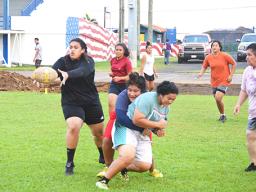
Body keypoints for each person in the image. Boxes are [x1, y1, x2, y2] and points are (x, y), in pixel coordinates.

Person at [96, 81, 179, 190]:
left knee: (144, 165)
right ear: (161, 94)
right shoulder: (148, 99)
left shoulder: (165, 107)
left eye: (173, 99)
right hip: (126, 128)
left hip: (141, 133)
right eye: (169, 98)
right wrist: (157, 125)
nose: (171, 101)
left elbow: (157, 123)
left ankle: (121, 168)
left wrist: (158, 130)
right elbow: (137, 120)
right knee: (128, 155)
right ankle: (104, 181)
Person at [52, 38, 105, 176]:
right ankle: (70, 162)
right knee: (74, 126)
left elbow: (82, 72)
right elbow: (52, 72)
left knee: (98, 133)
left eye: (76, 47)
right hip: (71, 102)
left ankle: (102, 155)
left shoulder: (88, 61)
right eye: (70, 47)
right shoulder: (62, 61)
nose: (72, 49)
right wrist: (43, 77)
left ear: (83, 50)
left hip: (91, 102)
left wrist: (67, 74)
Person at [97, 72, 163, 179]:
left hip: (143, 122)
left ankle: (152, 169)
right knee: (107, 140)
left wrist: (155, 129)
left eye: (136, 91)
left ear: (142, 91)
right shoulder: (123, 95)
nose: (132, 94)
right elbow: (122, 118)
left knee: (147, 144)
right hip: (120, 118)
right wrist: (144, 127)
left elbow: (155, 115)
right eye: (130, 90)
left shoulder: (147, 98)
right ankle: (109, 167)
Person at [198, 40, 236, 122]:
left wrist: (231, 75)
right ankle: (222, 115)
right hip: (214, 82)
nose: (214, 47)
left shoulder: (225, 55)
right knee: (217, 100)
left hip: (224, 80)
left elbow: (234, 64)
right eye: (213, 46)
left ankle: (223, 115)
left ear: (219, 47)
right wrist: (201, 73)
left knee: (218, 98)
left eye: (216, 45)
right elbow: (204, 66)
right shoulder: (208, 57)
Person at [234, 43, 256, 172]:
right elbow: (244, 90)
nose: (246, 57)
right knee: (250, 136)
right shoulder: (247, 71)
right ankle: (254, 163)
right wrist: (238, 104)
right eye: (246, 54)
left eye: (249, 55)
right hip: (253, 112)